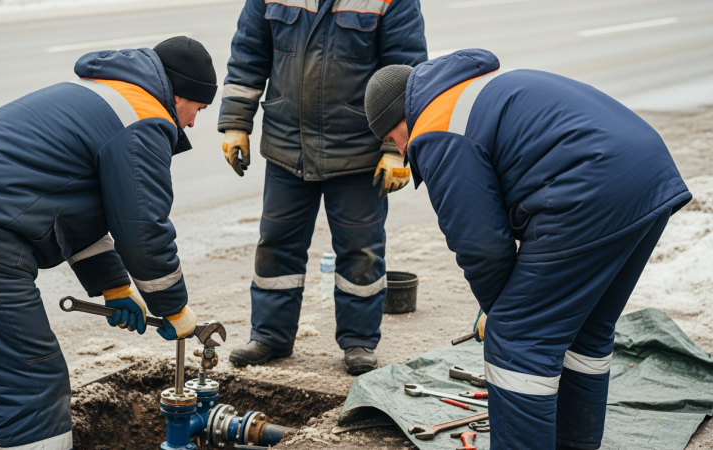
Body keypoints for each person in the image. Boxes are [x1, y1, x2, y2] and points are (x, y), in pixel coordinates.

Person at [0, 37, 217, 450]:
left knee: (15, 376)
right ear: (179, 95)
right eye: (198, 110)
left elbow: (74, 212)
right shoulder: (145, 117)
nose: (191, 124)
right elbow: (144, 229)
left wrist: (114, 286)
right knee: (32, 384)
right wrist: (172, 306)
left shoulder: (107, 92)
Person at [364, 49, 692, 449]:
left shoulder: (435, 128)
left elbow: (481, 245)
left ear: (399, 120)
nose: (399, 150)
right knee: (584, 333)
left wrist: (498, 310)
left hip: (590, 189)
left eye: (391, 139)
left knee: (517, 343)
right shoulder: (469, 89)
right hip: (648, 175)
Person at [218, 0, 427, 375]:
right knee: (276, 244)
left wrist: (395, 149)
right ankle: (269, 335)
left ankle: (359, 340)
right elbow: (248, 52)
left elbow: (405, 73)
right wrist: (236, 121)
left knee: (361, 250)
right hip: (287, 144)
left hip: (358, 152)